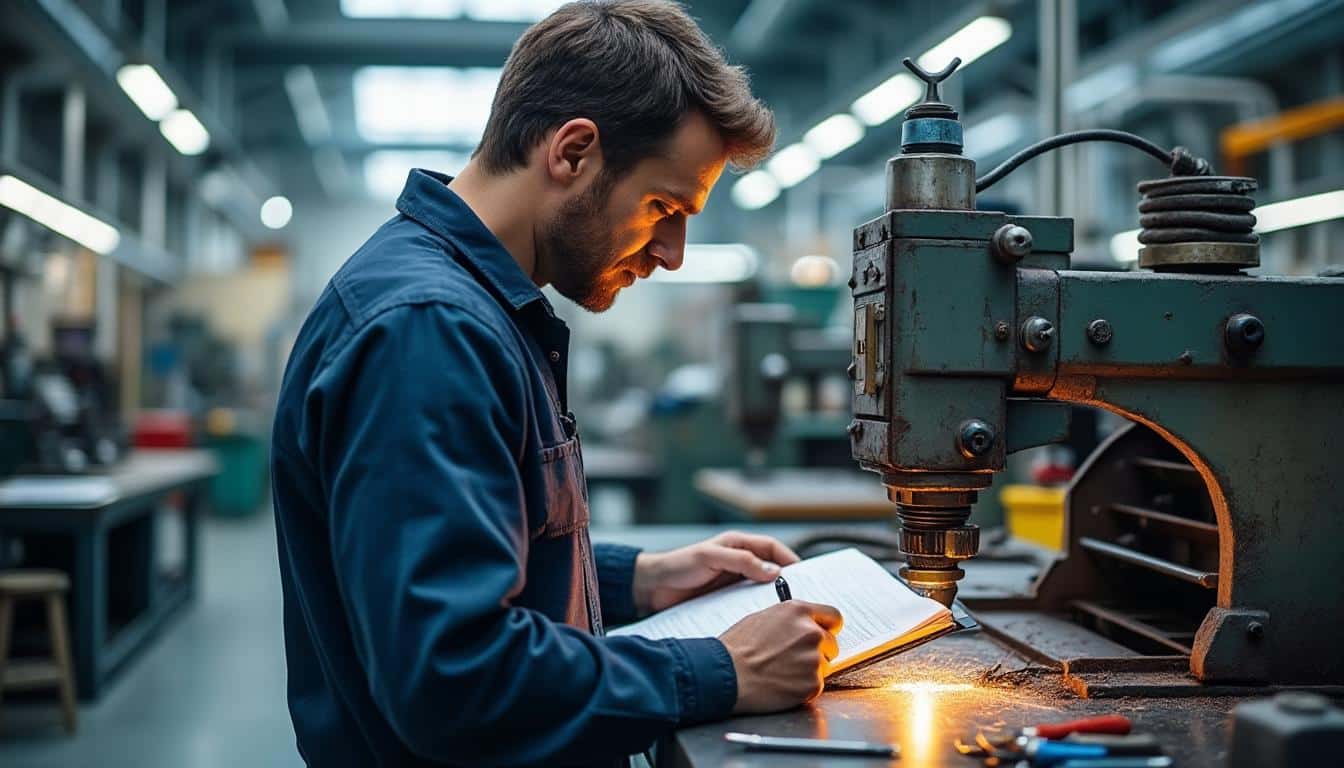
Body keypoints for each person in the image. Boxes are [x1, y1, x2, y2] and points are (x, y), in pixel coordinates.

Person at [270, 2, 843, 765]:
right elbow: (453, 678)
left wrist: (634, 578)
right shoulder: (429, 331)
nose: (672, 252)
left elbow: (454, 556)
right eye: (664, 207)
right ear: (572, 152)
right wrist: (721, 670)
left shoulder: (478, 309)